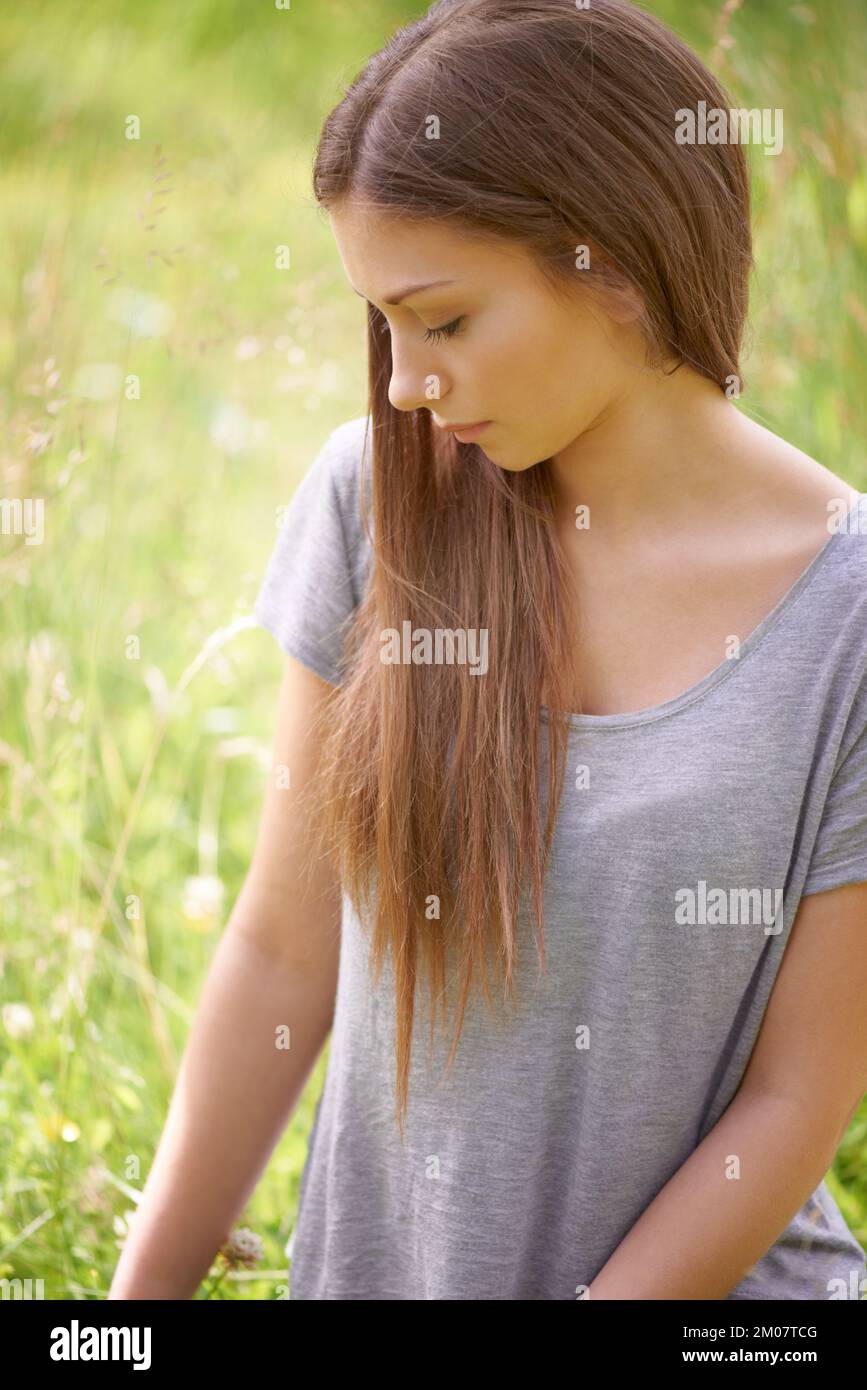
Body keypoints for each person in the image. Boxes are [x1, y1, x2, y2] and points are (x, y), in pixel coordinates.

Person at [109, 0, 867, 1301]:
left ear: (617, 263)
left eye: (445, 321)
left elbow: (796, 1095)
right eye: (382, 326)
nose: (404, 382)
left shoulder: (847, 609)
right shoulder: (374, 500)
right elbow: (284, 953)